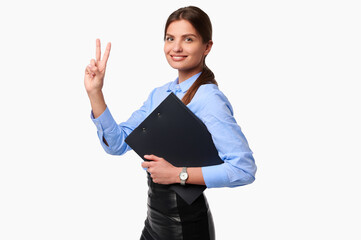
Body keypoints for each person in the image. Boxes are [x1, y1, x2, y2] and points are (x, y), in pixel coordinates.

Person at [84, 6, 257, 240]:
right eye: (170, 38)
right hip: (154, 222)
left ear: (207, 47)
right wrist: (96, 93)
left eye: (188, 39)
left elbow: (243, 170)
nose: (176, 47)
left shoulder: (209, 99)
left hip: (184, 227)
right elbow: (116, 145)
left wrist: (179, 175)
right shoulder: (160, 93)